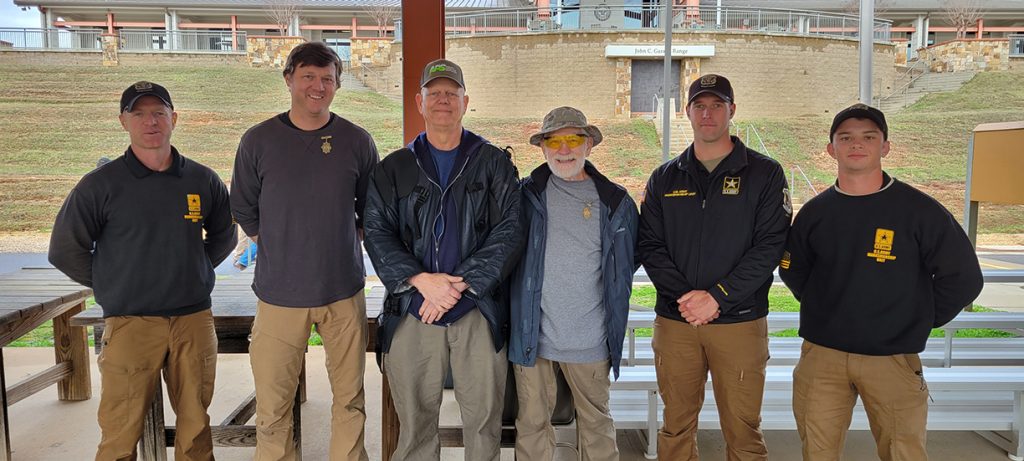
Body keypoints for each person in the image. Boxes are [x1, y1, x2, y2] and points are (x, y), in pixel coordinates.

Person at [779, 103, 984, 461]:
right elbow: (792, 270)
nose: (857, 145)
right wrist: (826, 306)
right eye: (846, 138)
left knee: (902, 452)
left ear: (885, 146)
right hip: (823, 356)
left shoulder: (919, 211)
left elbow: (964, 278)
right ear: (831, 149)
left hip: (893, 357)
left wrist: (917, 318)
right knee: (817, 451)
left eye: (868, 137)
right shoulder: (815, 213)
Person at [48, 81, 236, 460]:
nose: (150, 122)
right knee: (120, 430)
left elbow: (224, 236)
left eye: (159, 113)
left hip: (192, 320)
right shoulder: (100, 185)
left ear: (174, 119)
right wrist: (113, 281)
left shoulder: (202, 179)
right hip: (131, 322)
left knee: (196, 428)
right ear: (123, 121)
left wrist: (192, 267)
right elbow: (66, 249)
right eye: (139, 114)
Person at [363, 59, 521, 461]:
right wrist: (421, 282)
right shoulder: (394, 168)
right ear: (419, 102)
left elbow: (511, 230)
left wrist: (458, 285)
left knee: (483, 421)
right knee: (414, 424)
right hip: (414, 310)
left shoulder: (494, 163)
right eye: (435, 93)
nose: (443, 100)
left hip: (478, 308)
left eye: (452, 93)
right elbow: (378, 232)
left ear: (466, 101)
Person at [230, 42, 379, 461]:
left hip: (342, 292)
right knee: (273, 405)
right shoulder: (259, 141)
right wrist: (277, 241)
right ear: (289, 79)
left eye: (327, 78)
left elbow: (372, 210)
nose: (318, 86)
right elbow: (243, 205)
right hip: (279, 296)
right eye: (308, 76)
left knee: (349, 399)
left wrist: (336, 243)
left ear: (337, 84)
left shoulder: (356, 141)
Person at [637, 73, 791, 460]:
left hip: (739, 321)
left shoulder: (764, 173)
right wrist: (687, 298)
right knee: (676, 426)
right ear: (686, 112)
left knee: (743, 429)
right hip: (677, 322)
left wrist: (718, 298)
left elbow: (770, 245)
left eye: (717, 105)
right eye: (700, 106)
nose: (708, 114)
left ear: (732, 110)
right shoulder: (665, 177)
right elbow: (651, 246)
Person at [508, 106, 639, 461]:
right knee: (532, 426)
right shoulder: (524, 197)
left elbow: (626, 262)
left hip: (591, 338)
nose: (564, 149)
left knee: (596, 427)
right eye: (554, 140)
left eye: (573, 139)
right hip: (534, 336)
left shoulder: (616, 203)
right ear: (543, 147)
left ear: (589, 145)